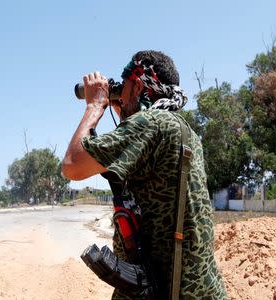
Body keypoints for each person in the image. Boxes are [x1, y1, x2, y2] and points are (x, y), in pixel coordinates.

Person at [62, 50, 227, 300]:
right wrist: (125, 109)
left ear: (138, 85)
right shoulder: (183, 131)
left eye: (124, 85)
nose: (119, 92)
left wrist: (95, 106)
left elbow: (73, 165)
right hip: (197, 290)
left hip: (165, 291)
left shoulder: (152, 123)